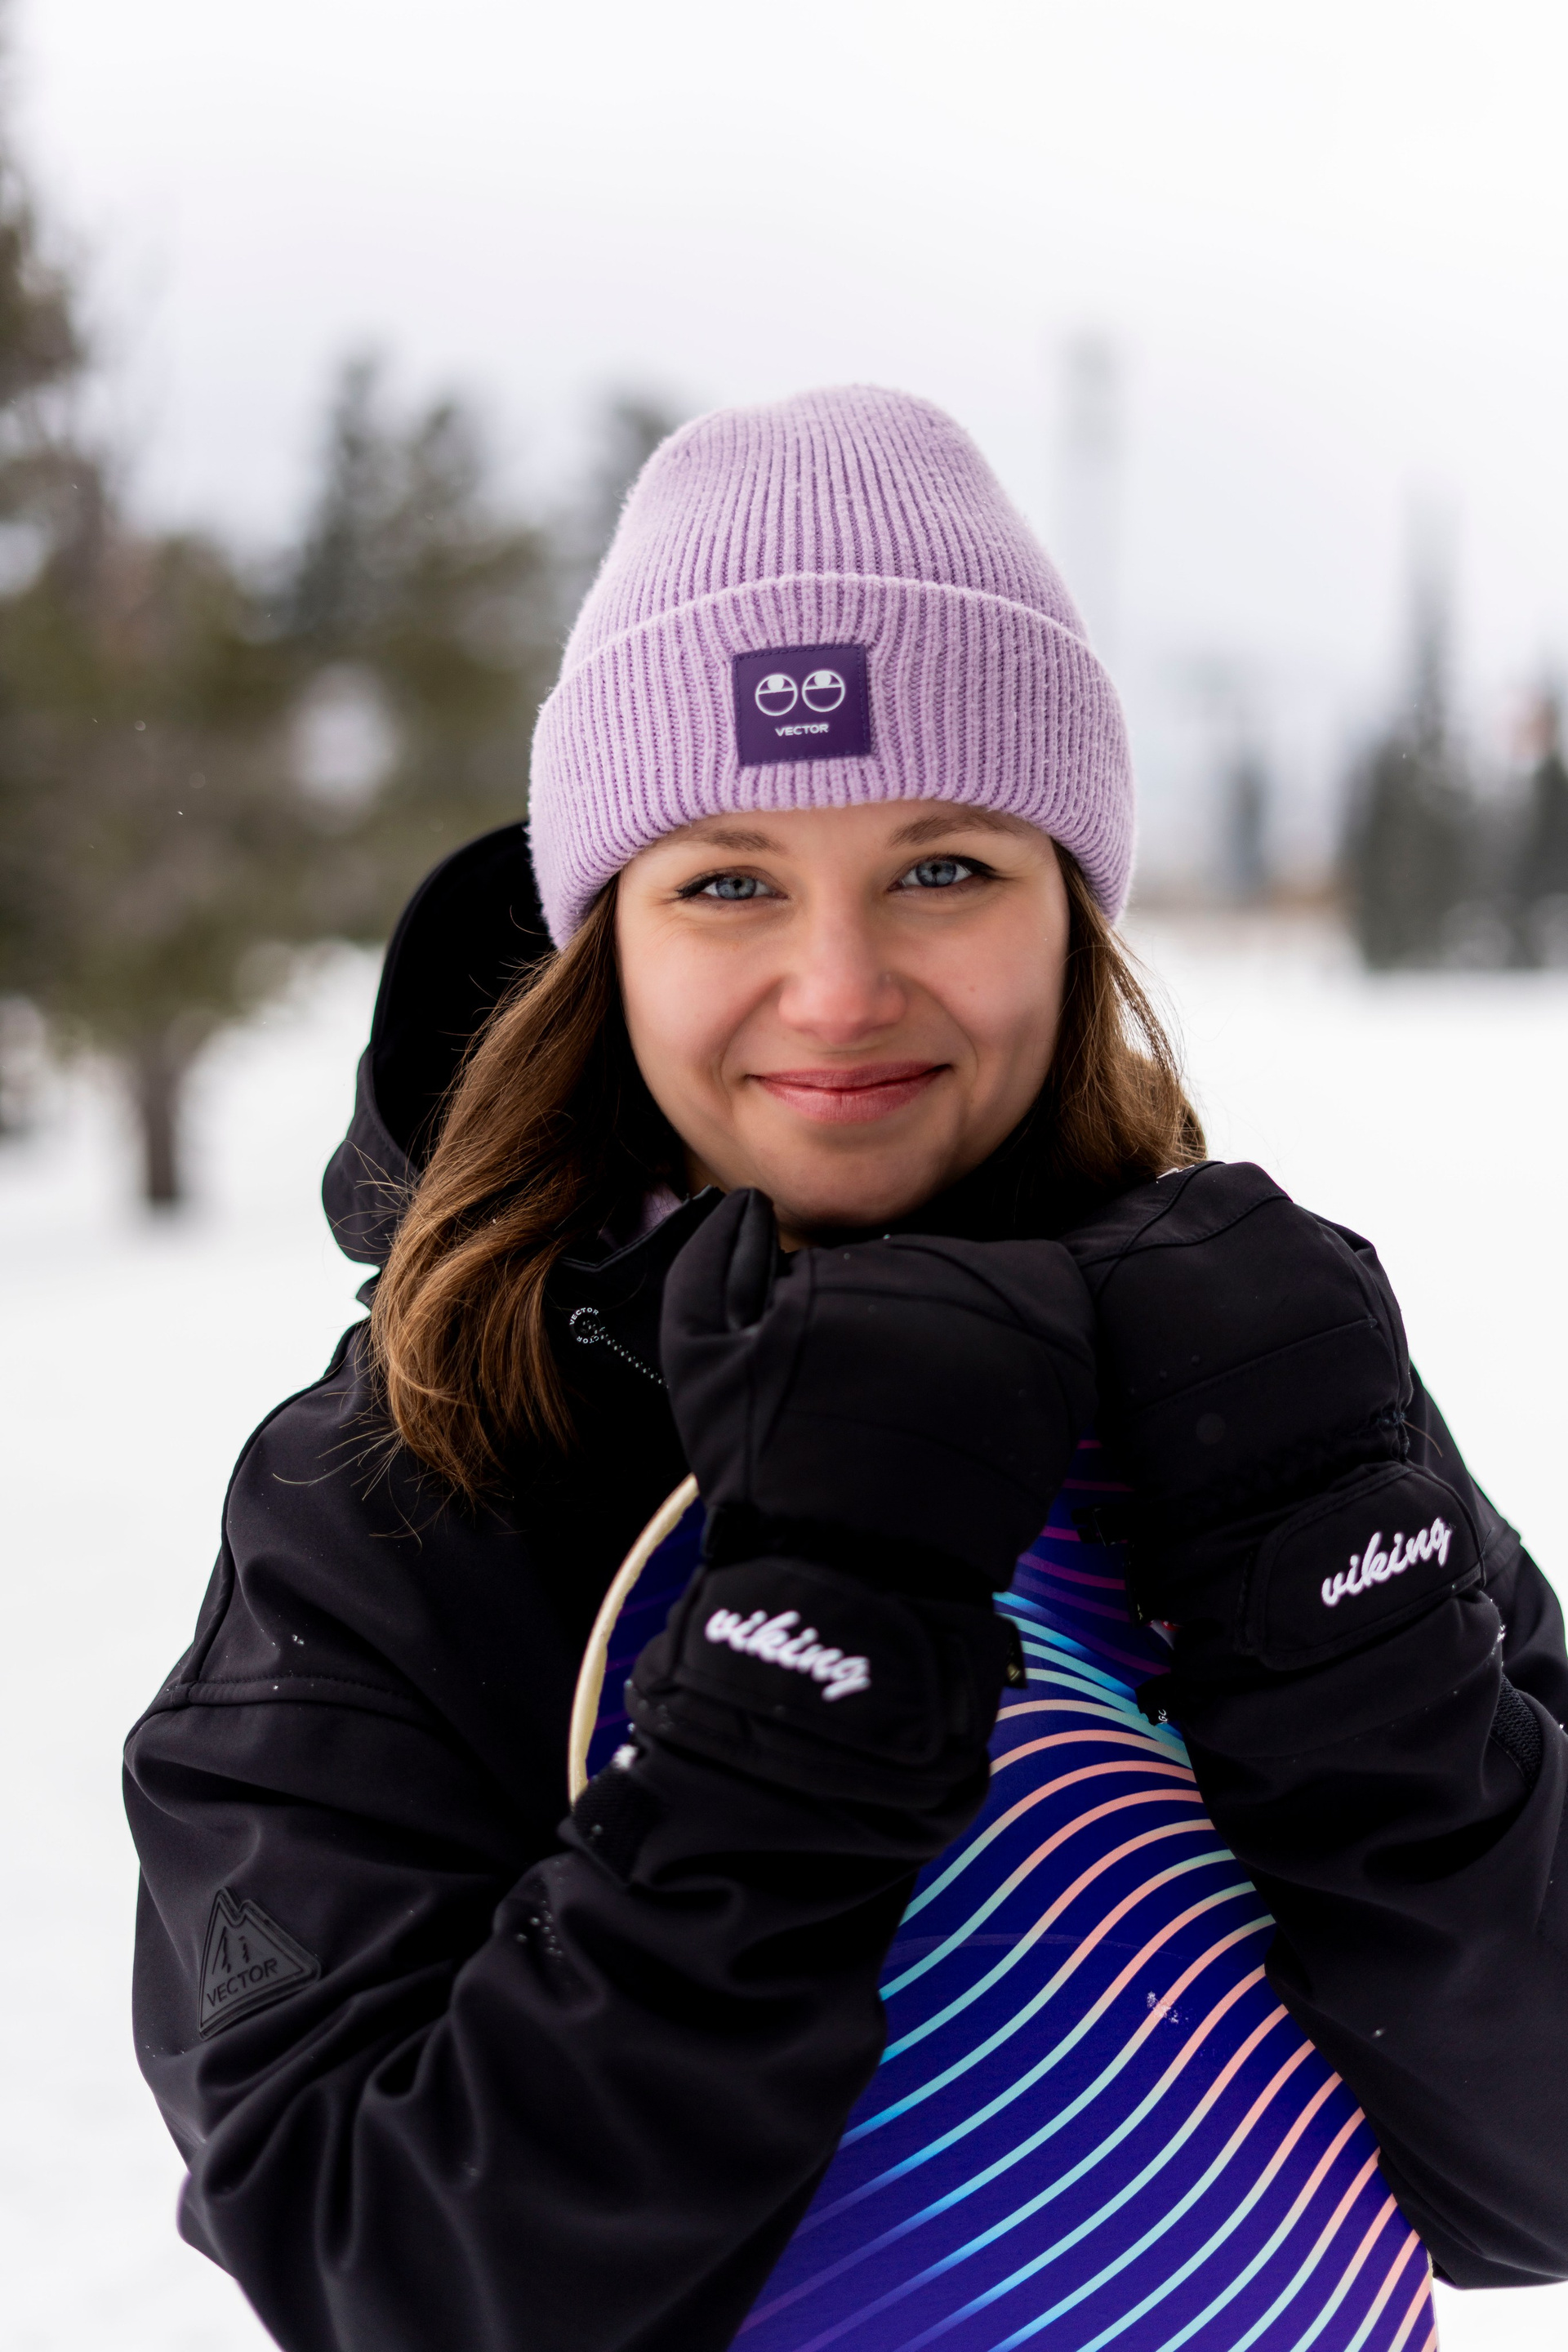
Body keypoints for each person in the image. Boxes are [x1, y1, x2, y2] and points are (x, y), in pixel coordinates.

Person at [125, 388, 1568, 2352]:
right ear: (603, 940)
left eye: (944, 867)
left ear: (1073, 910)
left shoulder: (1257, 1376)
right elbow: (400, 2276)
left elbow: (1532, 2174)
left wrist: (1347, 1625)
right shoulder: (411, 1479)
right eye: (727, 881)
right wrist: (796, 1684)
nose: (838, 989)